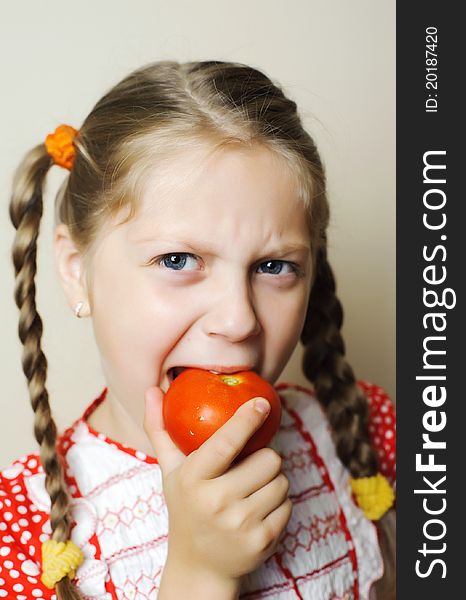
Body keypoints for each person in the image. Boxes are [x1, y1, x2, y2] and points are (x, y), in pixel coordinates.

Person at [1, 60, 396, 600]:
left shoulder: (364, 435)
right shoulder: (23, 531)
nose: (238, 320)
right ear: (76, 270)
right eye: (178, 259)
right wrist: (201, 574)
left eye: (275, 266)